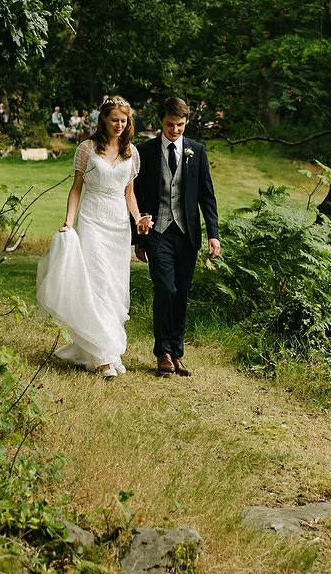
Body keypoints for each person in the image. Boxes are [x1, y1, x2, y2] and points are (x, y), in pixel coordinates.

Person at [36, 95, 153, 378]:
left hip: (118, 226)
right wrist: (68, 221)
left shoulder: (131, 153)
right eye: (115, 120)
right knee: (96, 283)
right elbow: (76, 189)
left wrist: (138, 220)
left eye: (124, 121)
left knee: (114, 287)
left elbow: (129, 194)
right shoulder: (87, 149)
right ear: (103, 119)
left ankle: (109, 348)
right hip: (92, 219)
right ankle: (103, 357)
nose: (120, 125)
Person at [132, 96, 220, 377]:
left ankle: (177, 353)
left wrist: (213, 235)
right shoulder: (145, 152)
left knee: (181, 293)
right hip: (157, 232)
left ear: (187, 122)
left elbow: (207, 196)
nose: (175, 130)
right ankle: (163, 353)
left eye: (180, 125)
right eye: (170, 125)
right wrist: (140, 239)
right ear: (161, 122)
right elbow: (135, 195)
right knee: (165, 289)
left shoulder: (197, 151)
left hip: (186, 234)